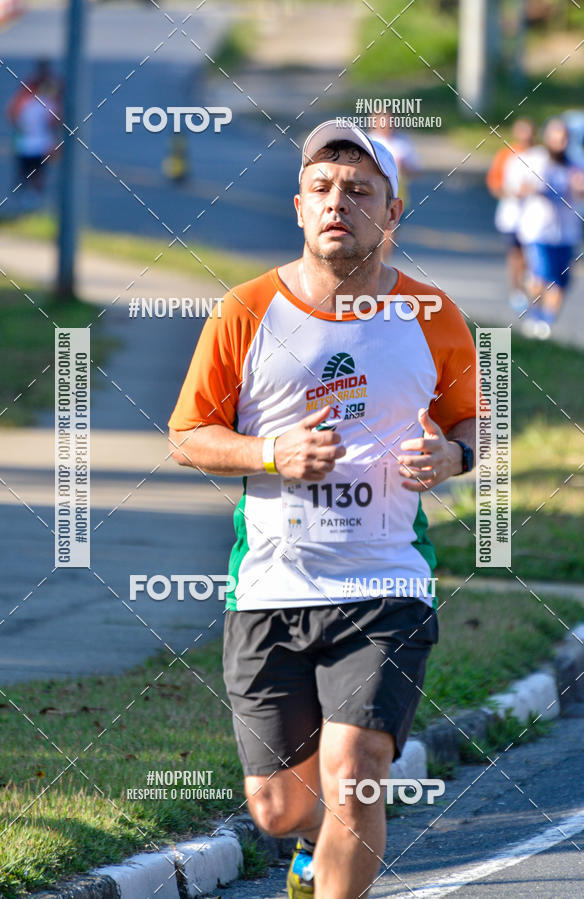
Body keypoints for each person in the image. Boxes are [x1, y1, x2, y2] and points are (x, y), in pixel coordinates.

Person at [168, 119, 477, 899]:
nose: (339, 202)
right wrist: (273, 453)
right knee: (279, 808)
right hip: (272, 585)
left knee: (357, 774)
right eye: (322, 189)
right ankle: (313, 852)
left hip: (385, 582)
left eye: (360, 190)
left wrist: (454, 456)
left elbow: (476, 420)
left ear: (393, 211)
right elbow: (187, 436)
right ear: (299, 208)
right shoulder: (246, 310)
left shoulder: (435, 316)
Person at [506, 117, 584, 339]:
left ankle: (546, 324)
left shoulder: (575, 164)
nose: (559, 143)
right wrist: (528, 189)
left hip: (566, 233)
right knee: (542, 276)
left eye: (564, 139)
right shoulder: (535, 160)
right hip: (538, 230)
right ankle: (536, 316)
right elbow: (514, 187)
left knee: (560, 282)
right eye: (555, 138)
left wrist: (579, 188)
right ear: (547, 138)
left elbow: (580, 194)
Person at [486, 118, 535, 313]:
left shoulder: (540, 155)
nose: (526, 136)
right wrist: (511, 193)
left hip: (536, 217)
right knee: (516, 254)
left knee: (530, 255)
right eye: (522, 132)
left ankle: (529, 286)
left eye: (529, 132)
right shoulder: (506, 155)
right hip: (512, 215)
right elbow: (494, 185)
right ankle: (517, 291)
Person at [6, 60, 62, 207]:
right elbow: (55, 123)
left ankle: (30, 198)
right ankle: (30, 198)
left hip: (32, 144)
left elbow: (13, 115)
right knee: (33, 173)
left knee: (31, 172)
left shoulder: (29, 100)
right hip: (33, 143)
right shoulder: (41, 101)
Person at [368, 116, 421, 260]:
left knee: (389, 234)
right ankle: (375, 266)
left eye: (389, 122)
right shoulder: (369, 142)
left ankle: (381, 266)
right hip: (374, 195)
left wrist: (404, 167)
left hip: (398, 196)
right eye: (381, 122)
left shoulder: (403, 143)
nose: (386, 126)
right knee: (375, 234)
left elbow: (417, 171)